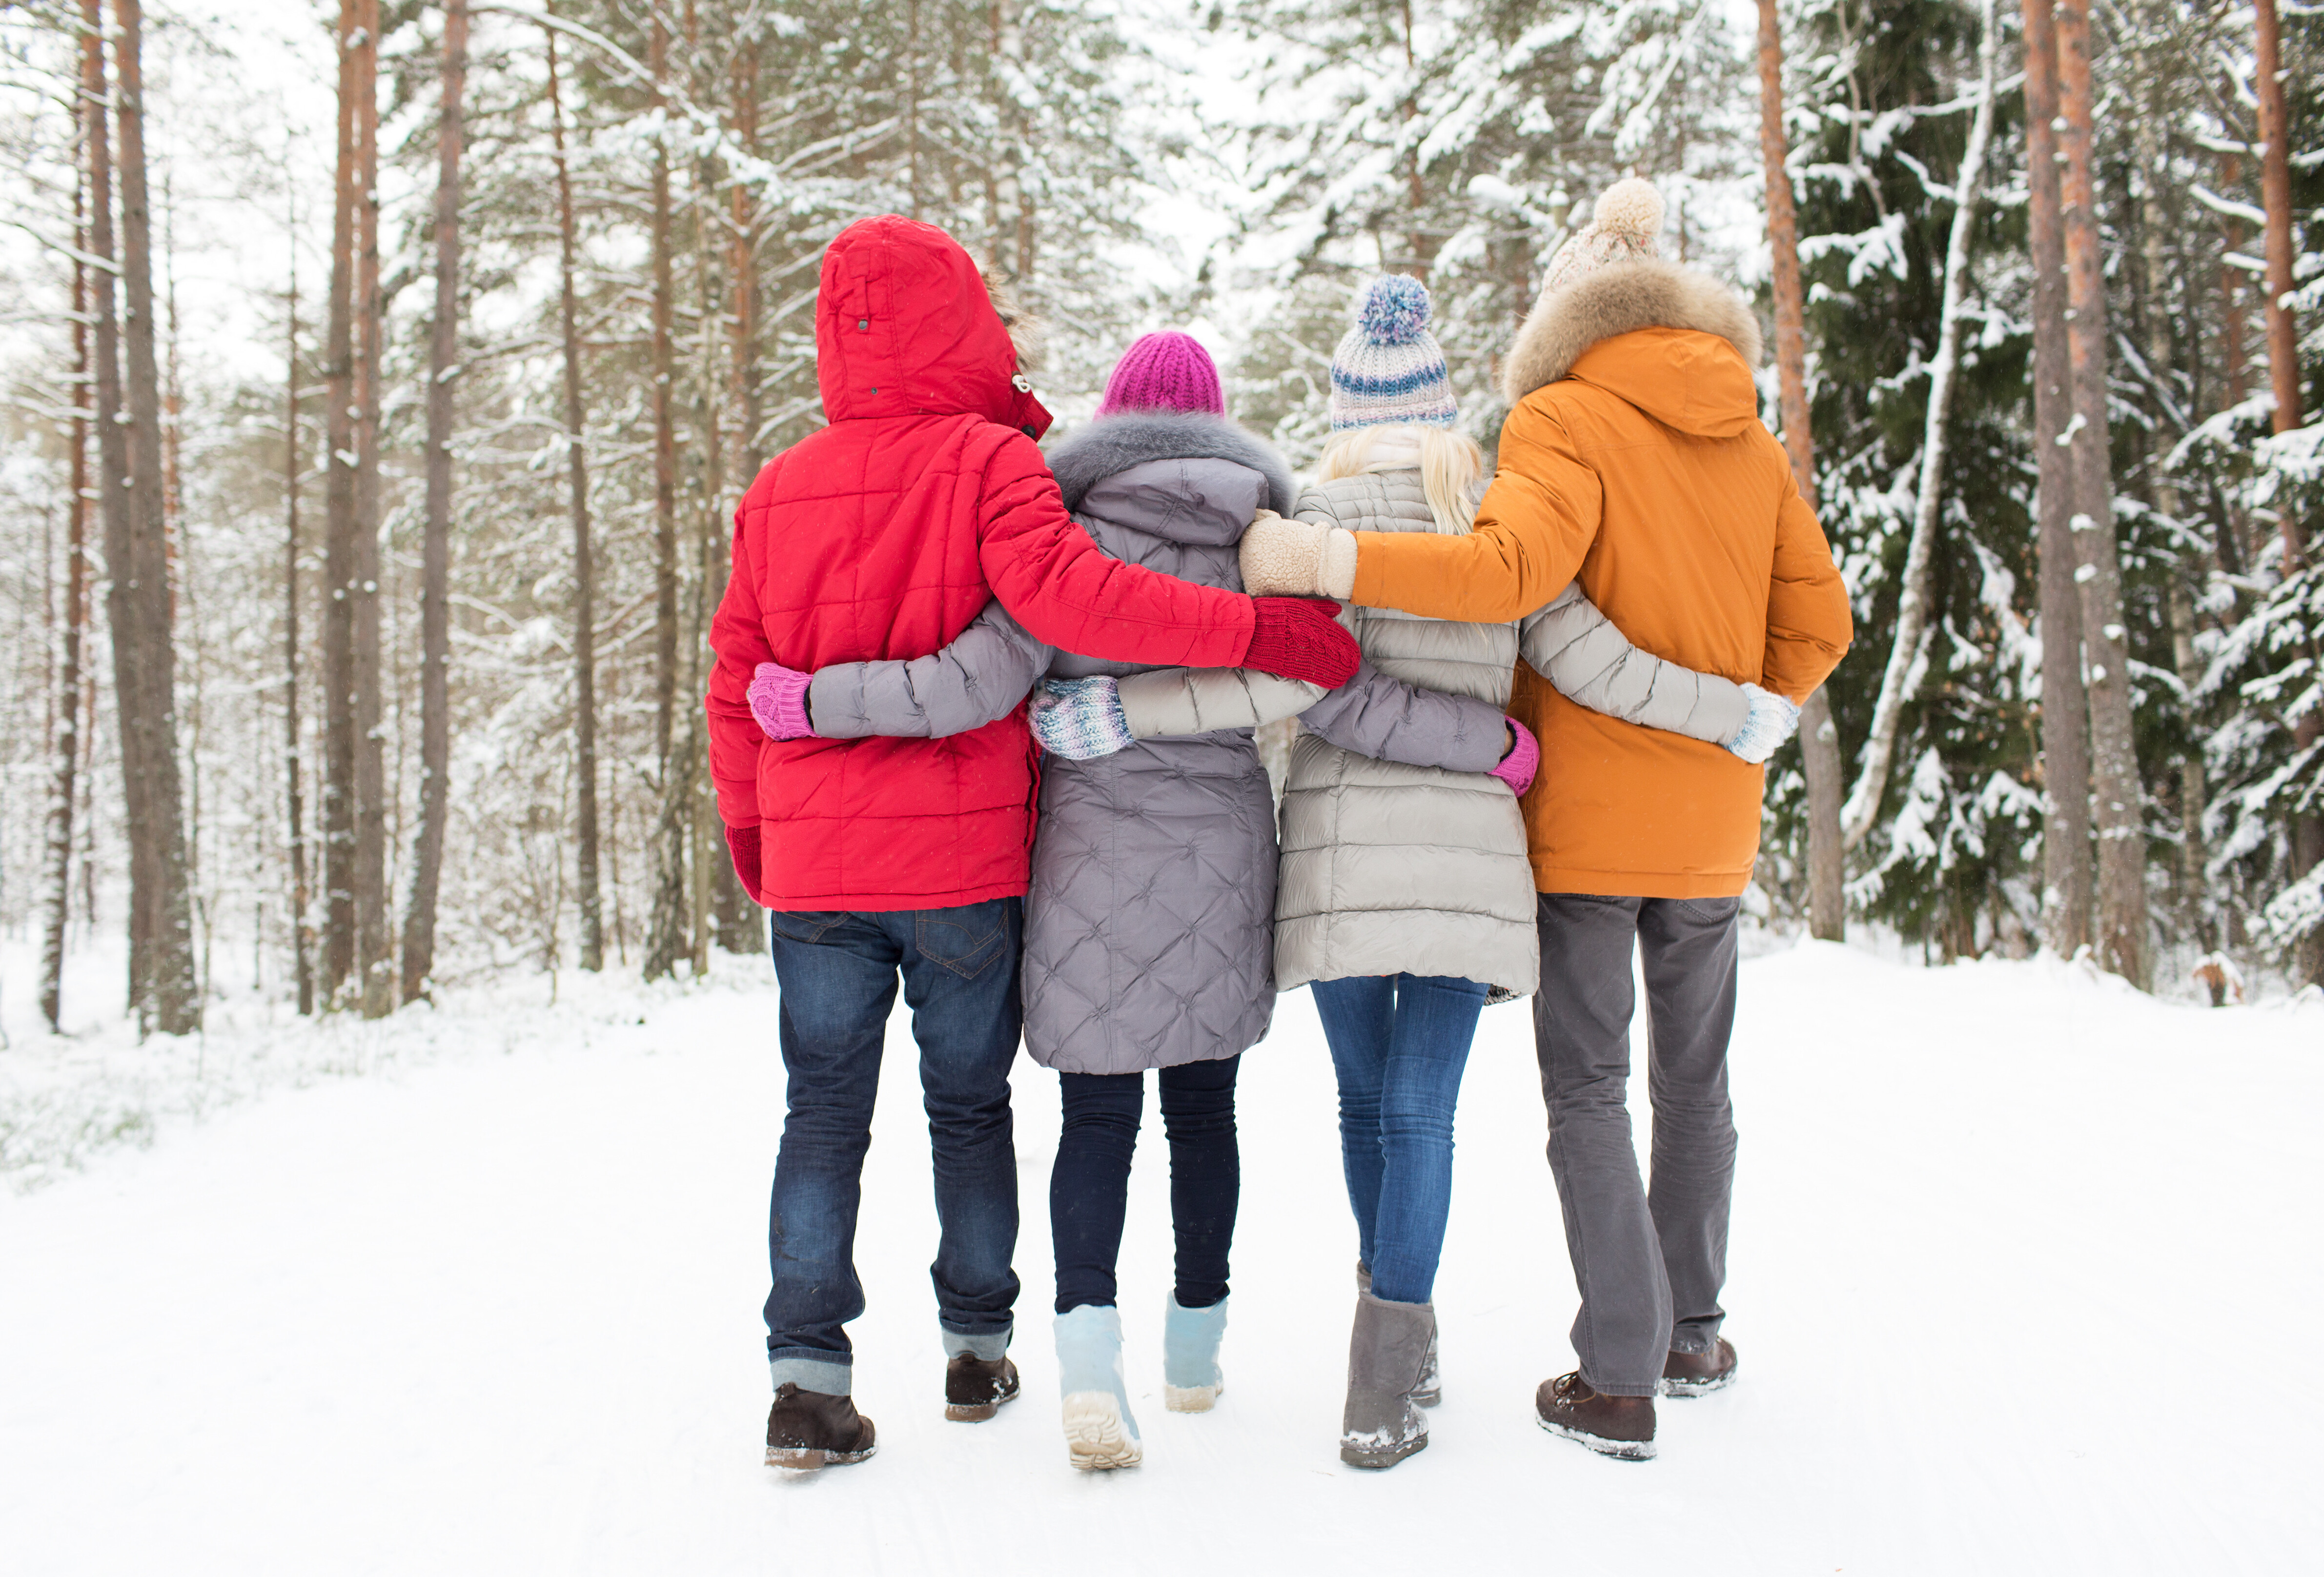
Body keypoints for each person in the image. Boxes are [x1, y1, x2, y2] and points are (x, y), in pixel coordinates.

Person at [762, 329, 1524, 1471]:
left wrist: (820, 697)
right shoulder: (1260, 545)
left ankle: (1084, 1368)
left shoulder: (1052, 540)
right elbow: (1311, 676)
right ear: (1219, 429)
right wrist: (1496, 744)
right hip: (1221, 855)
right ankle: (1195, 1357)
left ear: (1111, 426)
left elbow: (975, 677)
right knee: (1203, 1113)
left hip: (1086, 862)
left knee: (1097, 1118)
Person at [706, 218, 1361, 1472]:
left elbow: (735, 681)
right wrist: (1253, 632)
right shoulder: (991, 464)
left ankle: (806, 1379)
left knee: (820, 1112)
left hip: (818, 870)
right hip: (957, 865)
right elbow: (1081, 600)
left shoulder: (777, 489)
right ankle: (974, 1348)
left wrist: (756, 833)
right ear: (960, 318)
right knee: (967, 1105)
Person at [1240, 182, 1853, 1462]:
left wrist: (1333, 564)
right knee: (1697, 1082)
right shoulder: (1748, 438)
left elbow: (1509, 582)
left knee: (1588, 1087)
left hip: (1580, 819)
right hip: (1711, 825)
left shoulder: (1558, 420)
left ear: (1569, 316)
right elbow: (1821, 627)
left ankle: (1617, 1375)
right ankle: (1693, 1332)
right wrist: (1748, 713)